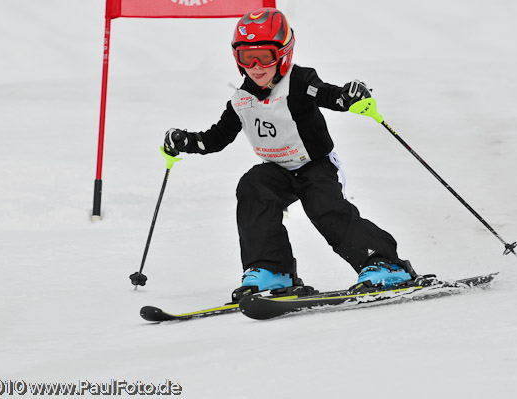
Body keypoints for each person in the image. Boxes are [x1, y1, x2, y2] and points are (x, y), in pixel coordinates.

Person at [163, 7, 417, 300]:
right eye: (247, 57)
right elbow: (216, 138)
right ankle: (272, 270)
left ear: (283, 54)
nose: (256, 66)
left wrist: (349, 96)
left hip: (315, 166)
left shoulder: (300, 82)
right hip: (277, 170)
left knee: (325, 209)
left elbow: (329, 95)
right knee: (253, 186)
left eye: (265, 57)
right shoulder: (241, 99)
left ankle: (383, 262)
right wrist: (186, 142)